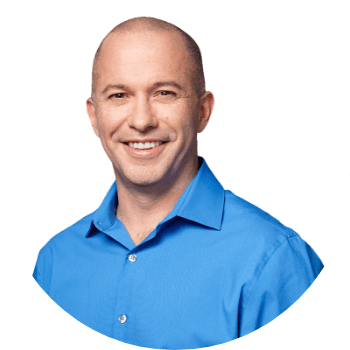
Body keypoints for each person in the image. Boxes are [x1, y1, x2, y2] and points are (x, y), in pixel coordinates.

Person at [33, 16, 324, 348]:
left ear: (202, 111)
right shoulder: (55, 261)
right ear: (94, 115)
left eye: (164, 93)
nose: (141, 120)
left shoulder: (273, 260)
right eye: (118, 95)